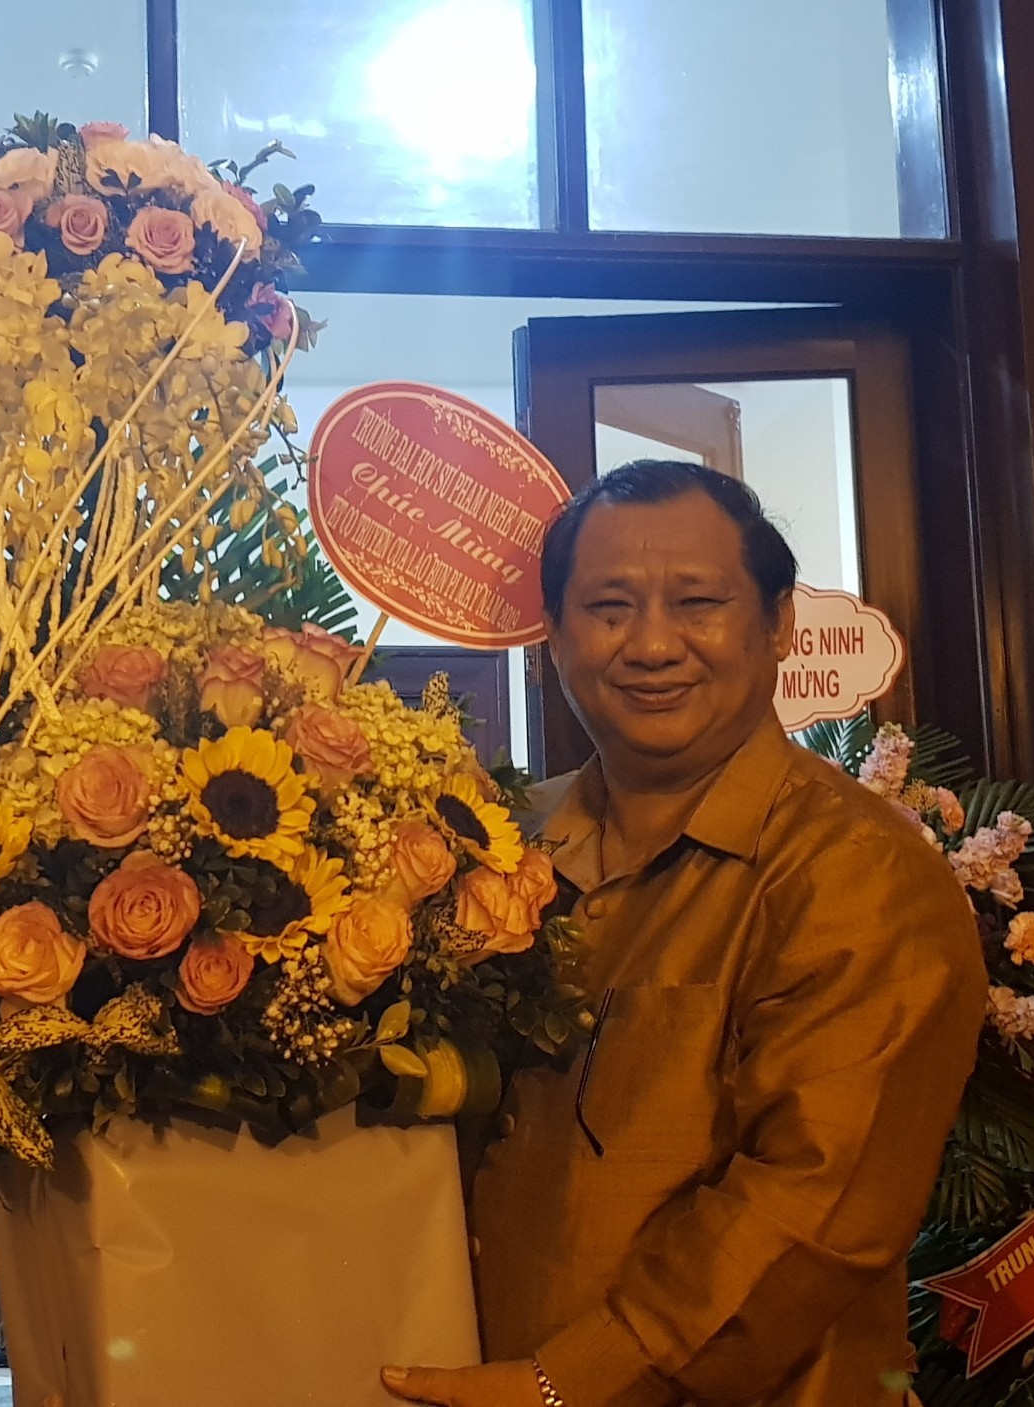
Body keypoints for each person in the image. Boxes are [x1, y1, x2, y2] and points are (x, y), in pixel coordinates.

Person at [384, 460, 985, 1407]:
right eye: (609, 607)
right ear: (554, 634)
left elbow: (814, 1204)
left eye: (698, 602)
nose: (653, 644)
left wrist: (565, 1383)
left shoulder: (856, 873)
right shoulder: (496, 847)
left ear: (778, 623)